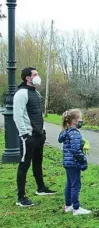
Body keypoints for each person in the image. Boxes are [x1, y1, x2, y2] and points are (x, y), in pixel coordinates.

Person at [13, 67, 56, 207]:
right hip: (28, 136)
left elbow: (38, 114)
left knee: (38, 161)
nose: (38, 76)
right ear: (27, 78)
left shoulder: (36, 93)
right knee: (24, 164)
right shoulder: (21, 94)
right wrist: (25, 133)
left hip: (39, 135)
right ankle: (21, 197)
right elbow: (18, 116)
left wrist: (42, 131)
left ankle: (41, 188)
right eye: (35, 74)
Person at [58, 109, 91, 215]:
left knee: (69, 184)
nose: (82, 121)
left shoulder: (66, 132)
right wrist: (83, 161)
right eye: (80, 119)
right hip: (74, 163)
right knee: (75, 185)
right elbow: (76, 150)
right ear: (74, 121)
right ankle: (76, 208)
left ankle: (68, 206)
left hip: (67, 163)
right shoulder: (75, 133)